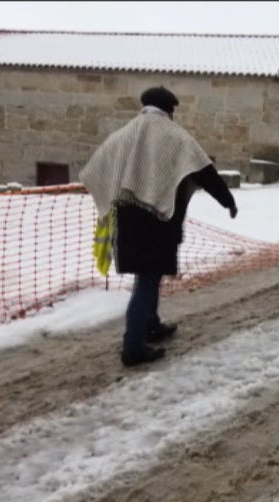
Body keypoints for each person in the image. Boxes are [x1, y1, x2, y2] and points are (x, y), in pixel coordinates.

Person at [81, 86, 238, 367]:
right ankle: (133, 348)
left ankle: (151, 325)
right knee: (148, 281)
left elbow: (95, 169)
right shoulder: (175, 136)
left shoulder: (123, 135)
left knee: (147, 278)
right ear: (169, 109)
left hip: (128, 218)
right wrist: (227, 201)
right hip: (160, 219)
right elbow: (204, 172)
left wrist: (113, 196)